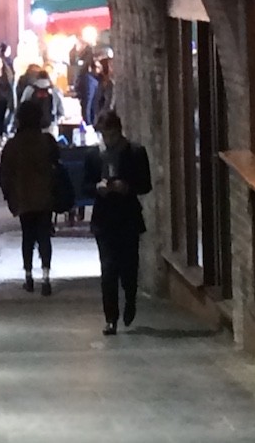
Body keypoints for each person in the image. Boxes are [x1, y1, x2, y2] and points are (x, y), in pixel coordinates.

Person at [83, 110, 152, 335]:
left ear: (119, 132)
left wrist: (127, 187)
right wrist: (97, 187)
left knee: (129, 267)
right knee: (108, 268)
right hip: (104, 218)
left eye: (111, 134)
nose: (108, 139)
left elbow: (145, 184)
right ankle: (110, 317)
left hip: (128, 217)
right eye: (104, 135)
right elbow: (85, 184)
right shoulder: (94, 156)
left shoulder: (135, 152)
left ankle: (130, 300)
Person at [0, 100, 61, 296]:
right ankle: (46, 277)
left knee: (28, 236)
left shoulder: (13, 145)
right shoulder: (47, 141)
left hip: (23, 196)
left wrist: (9, 195)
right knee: (44, 236)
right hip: (45, 195)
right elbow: (58, 165)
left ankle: (28, 276)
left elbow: (5, 174)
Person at [74, 59, 100, 126]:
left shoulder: (92, 79)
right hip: (91, 119)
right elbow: (88, 102)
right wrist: (88, 123)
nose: (100, 70)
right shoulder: (90, 81)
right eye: (98, 68)